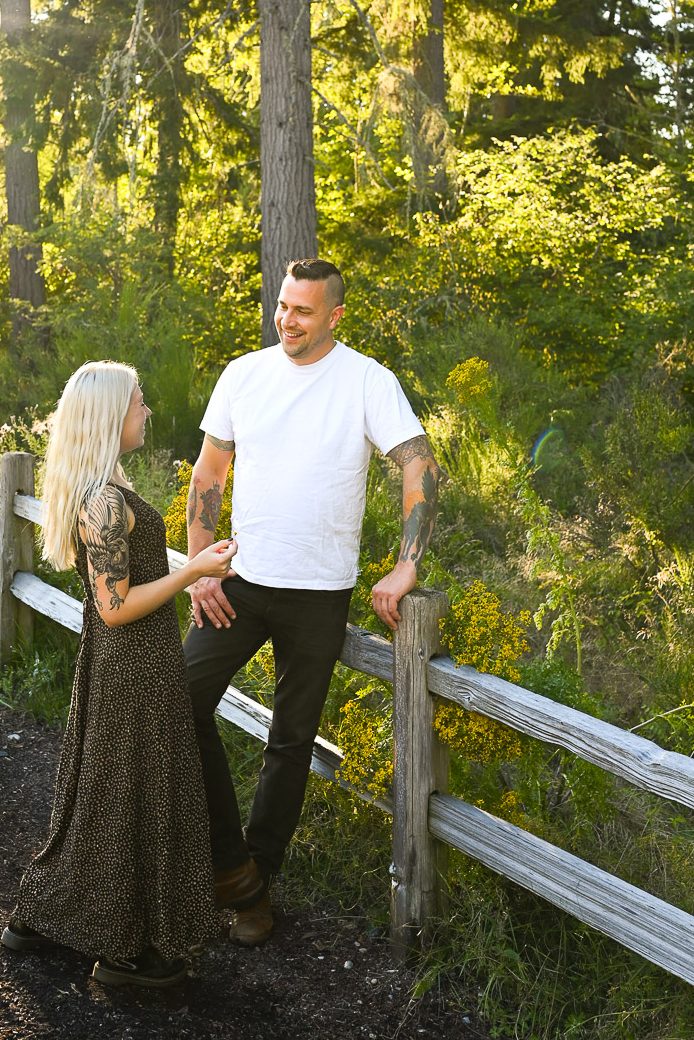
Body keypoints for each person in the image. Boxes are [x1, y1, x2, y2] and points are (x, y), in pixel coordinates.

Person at [183, 258, 440, 946]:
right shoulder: (244, 374)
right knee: (176, 700)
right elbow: (209, 472)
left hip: (319, 594)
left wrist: (406, 566)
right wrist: (201, 566)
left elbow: (419, 463)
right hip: (238, 583)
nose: (287, 320)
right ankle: (228, 866)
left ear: (334, 315)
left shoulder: (367, 381)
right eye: (282, 306)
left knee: (290, 743)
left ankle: (255, 885)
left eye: (302, 310)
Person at [1, 360, 236, 988]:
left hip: (138, 660)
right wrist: (193, 572)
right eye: (139, 402)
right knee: (130, 795)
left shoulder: (107, 487)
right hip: (131, 664)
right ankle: (128, 949)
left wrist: (193, 566)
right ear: (109, 415)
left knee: (113, 791)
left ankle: (51, 914)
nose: (148, 411)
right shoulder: (103, 502)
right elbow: (115, 606)